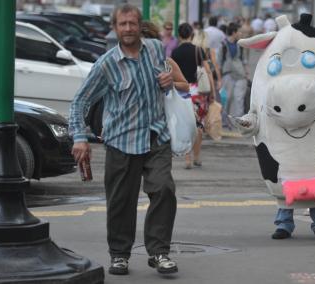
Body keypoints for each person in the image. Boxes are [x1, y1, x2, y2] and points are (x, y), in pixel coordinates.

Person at [69, 4, 178, 276]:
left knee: (164, 189)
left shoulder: (154, 48)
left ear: (140, 26)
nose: (128, 29)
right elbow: (80, 101)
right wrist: (80, 138)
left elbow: (168, 77)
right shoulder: (106, 64)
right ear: (115, 28)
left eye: (132, 23)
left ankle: (159, 252)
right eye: (122, 24)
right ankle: (119, 255)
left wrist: (167, 80)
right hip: (121, 141)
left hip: (156, 136)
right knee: (121, 202)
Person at [172, 23, 215, 169]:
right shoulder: (198, 50)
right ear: (191, 34)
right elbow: (208, 71)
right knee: (198, 126)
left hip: (182, 92)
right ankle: (197, 157)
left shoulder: (175, 52)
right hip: (198, 92)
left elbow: (172, 73)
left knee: (185, 124)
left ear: (179, 35)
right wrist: (213, 92)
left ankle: (187, 159)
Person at [141, 20, 190, 93]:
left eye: (170, 29)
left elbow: (186, 86)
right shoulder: (128, 63)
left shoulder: (166, 61)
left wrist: (171, 83)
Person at [218, 23, 248, 122]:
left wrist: (246, 72)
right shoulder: (223, 45)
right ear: (234, 32)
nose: (240, 33)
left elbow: (244, 59)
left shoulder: (240, 44)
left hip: (240, 74)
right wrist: (219, 77)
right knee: (227, 98)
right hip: (227, 74)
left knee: (239, 98)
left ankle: (239, 121)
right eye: (238, 31)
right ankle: (224, 120)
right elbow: (219, 62)